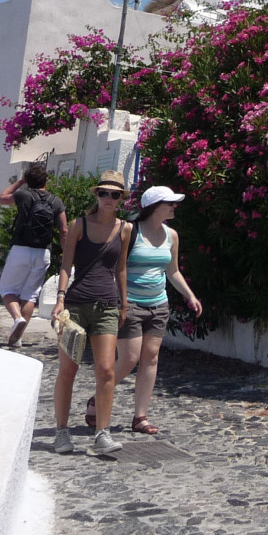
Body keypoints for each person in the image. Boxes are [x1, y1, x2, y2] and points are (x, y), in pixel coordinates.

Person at [109, 185, 202, 435]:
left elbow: (172, 271)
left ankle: (140, 416)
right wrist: (121, 302)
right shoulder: (131, 231)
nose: (174, 207)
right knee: (129, 358)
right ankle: (101, 394)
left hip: (158, 304)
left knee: (151, 356)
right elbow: (117, 267)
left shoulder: (172, 235)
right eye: (168, 203)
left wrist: (189, 295)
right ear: (153, 206)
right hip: (130, 304)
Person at [51, 175, 131, 456]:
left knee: (107, 369)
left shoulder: (125, 229)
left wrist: (123, 303)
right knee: (68, 369)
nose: (109, 199)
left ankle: (102, 432)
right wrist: (60, 299)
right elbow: (65, 264)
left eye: (115, 195)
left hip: (107, 305)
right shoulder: (79, 225)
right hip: (75, 305)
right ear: (96, 195)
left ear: (121, 200)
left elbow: (121, 268)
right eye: (104, 193)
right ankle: (62, 432)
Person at [0, 163, 71, 346]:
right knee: (30, 295)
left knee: (7, 290)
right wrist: (66, 254)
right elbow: (64, 230)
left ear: (29, 181)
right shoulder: (56, 201)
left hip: (21, 249)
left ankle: (17, 319)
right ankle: (18, 338)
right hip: (43, 252)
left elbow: (1, 199)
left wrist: (19, 182)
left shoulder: (23, 195)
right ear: (46, 180)